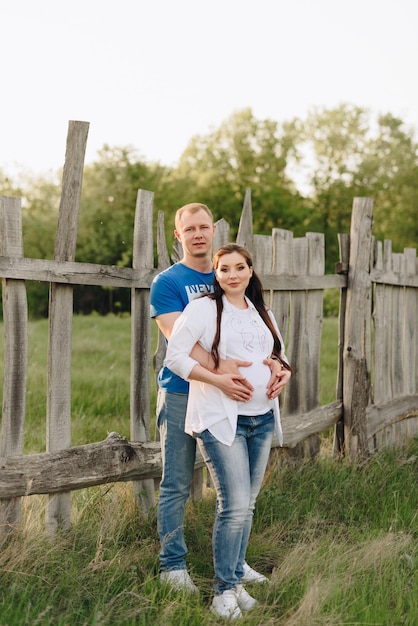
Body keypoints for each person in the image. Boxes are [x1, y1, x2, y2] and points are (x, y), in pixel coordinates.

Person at [150, 203, 285, 593]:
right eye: (189, 228)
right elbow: (179, 340)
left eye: (203, 227)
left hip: (233, 404)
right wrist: (224, 370)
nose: (197, 234)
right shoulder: (169, 282)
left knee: (238, 494)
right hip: (182, 392)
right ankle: (172, 565)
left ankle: (234, 563)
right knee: (177, 481)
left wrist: (276, 365)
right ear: (179, 235)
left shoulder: (224, 273)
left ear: (213, 231)